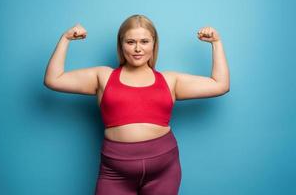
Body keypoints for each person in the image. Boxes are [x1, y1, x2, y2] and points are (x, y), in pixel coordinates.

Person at [44, 14, 230, 195]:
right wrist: (65, 39)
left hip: (164, 171)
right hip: (115, 173)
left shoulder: (170, 80)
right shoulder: (103, 76)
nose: (137, 49)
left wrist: (217, 43)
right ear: (121, 45)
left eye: (144, 42)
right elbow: (53, 79)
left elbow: (220, 85)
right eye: (131, 42)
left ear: (154, 44)